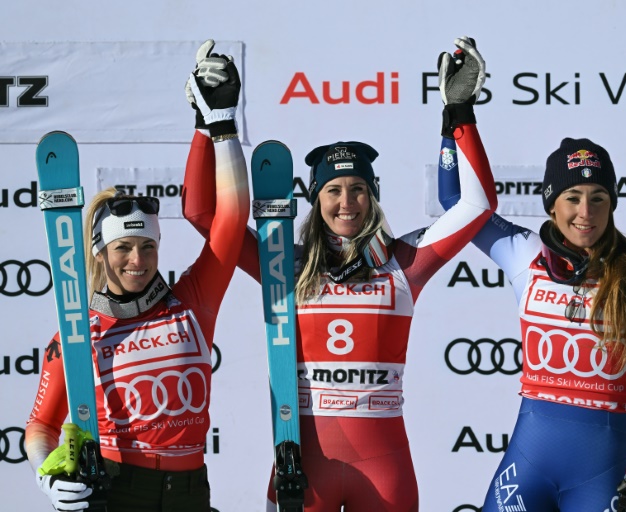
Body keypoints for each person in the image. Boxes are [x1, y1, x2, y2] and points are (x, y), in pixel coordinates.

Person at [181, 36, 496, 511]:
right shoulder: (281, 263)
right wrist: (212, 125)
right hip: (304, 468)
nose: (346, 202)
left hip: (384, 467)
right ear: (315, 199)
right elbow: (205, 214)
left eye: (358, 189)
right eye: (333, 190)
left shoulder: (404, 262)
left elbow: (477, 206)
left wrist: (460, 114)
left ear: (373, 195)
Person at [437, 136, 626, 511]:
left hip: (603, 470)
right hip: (528, 467)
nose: (585, 211)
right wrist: (456, 119)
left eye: (598, 198)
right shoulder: (524, 252)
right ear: (552, 205)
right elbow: (455, 203)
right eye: (572, 197)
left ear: (612, 205)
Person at [24, 40, 249, 512]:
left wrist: (220, 125)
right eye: (123, 248)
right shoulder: (77, 329)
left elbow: (231, 216)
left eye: (147, 246)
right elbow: (40, 429)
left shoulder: (191, 300)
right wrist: (49, 478)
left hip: (192, 492)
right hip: (117, 490)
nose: (137, 260)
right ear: (100, 254)